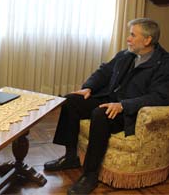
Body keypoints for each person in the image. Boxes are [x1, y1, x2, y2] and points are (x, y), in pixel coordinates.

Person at [43, 18, 169, 195]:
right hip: (110, 98)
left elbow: (160, 96)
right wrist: (89, 87)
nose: (128, 39)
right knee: (70, 100)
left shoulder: (164, 64)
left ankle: (90, 175)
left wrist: (123, 105)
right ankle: (70, 157)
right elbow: (104, 71)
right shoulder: (127, 54)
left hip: (130, 111)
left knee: (100, 114)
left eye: (133, 35)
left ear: (148, 40)